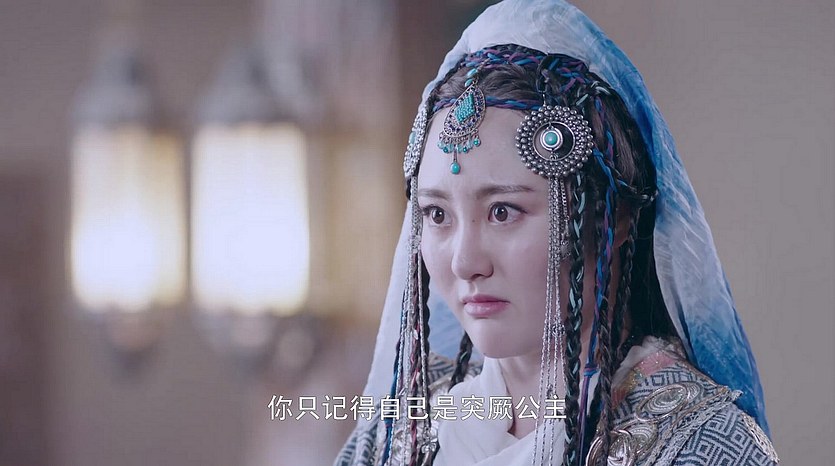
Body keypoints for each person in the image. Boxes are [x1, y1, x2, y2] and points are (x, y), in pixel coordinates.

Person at [336, 1, 779, 465]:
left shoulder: (701, 444)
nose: (465, 262)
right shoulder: (401, 426)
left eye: (503, 212)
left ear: (612, 219)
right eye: (437, 214)